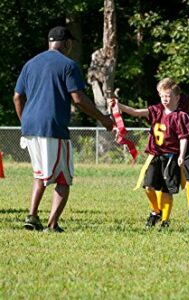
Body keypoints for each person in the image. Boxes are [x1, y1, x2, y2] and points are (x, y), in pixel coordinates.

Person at [13, 26, 114, 232]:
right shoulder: (68, 65)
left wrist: (25, 121)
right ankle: (52, 224)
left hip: (30, 126)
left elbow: (17, 96)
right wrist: (103, 118)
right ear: (67, 43)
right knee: (63, 178)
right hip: (52, 127)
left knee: (40, 174)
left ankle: (32, 216)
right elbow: (78, 99)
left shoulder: (30, 64)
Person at [108, 78, 189, 229]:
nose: (165, 99)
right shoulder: (156, 110)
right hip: (155, 155)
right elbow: (135, 112)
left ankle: (165, 220)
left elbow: (183, 138)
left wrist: (181, 155)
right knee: (148, 186)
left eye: (168, 96)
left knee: (167, 190)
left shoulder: (181, 117)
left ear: (177, 97)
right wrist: (118, 105)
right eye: (162, 95)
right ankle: (155, 211)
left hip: (171, 157)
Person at [154, 90, 189, 221]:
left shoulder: (182, 111)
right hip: (168, 149)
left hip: (184, 149)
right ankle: (159, 211)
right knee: (163, 180)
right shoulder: (166, 108)